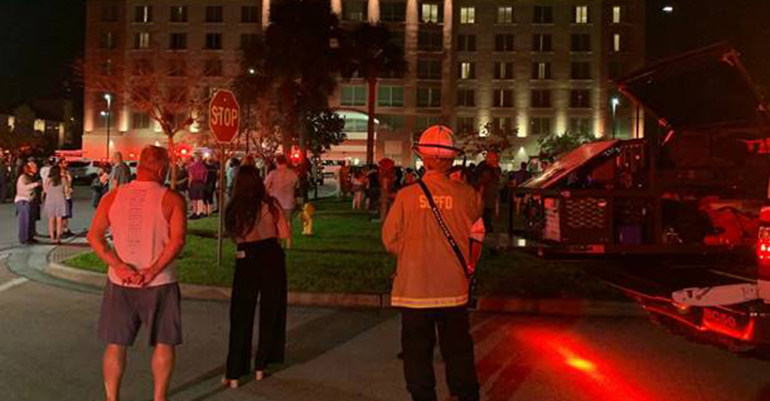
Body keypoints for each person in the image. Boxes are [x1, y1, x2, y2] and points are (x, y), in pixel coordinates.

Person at [382, 125, 481, 401]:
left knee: (416, 353)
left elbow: (389, 240)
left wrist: (412, 251)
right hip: (453, 290)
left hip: (415, 290)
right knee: (458, 351)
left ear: (423, 159)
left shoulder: (405, 197)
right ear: (450, 160)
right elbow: (477, 230)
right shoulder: (467, 195)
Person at [87, 145, 186, 401]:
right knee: (164, 342)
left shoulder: (113, 197)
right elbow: (177, 241)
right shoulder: (172, 199)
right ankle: (159, 397)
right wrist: (152, 270)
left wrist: (118, 266)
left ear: (138, 166)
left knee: (115, 344)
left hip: (119, 282)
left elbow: (95, 236)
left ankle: (111, 398)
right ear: (163, 169)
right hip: (160, 282)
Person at [222, 165, 289, 388]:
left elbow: (234, 236)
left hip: (246, 257)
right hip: (271, 255)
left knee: (241, 314)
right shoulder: (270, 204)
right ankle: (262, 364)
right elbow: (285, 233)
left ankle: (234, 372)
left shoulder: (235, 208)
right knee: (271, 310)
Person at [264, 155, 299, 248]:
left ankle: (278, 242)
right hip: (288, 201)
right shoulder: (292, 173)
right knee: (288, 222)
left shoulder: (273, 173)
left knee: (275, 223)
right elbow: (296, 185)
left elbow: (265, 187)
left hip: (276, 202)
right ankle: (289, 243)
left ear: (277, 162)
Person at [473, 151, 501, 233]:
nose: (495, 159)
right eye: (492, 157)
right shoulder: (487, 171)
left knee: (487, 220)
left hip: (490, 198)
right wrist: (479, 200)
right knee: (486, 221)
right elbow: (481, 185)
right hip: (486, 199)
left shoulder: (496, 170)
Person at [15, 162, 41, 245]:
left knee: (30, 220)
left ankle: (30, 237)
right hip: (23, 201)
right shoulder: (23, 177)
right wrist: (36, 184)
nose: (36, 168)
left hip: (30, 201)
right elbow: (24, 188)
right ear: (28, 168)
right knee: (25, 221)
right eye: (34, 167)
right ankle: (24, 238)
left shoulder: (30, 177)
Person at [42, 165, 67, 244]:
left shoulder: (48, 180)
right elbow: (66, 189)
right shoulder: (62, 179)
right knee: (59, 220)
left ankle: (52, 238)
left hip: (50, 200)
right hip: (60, 199)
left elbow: (45, 190)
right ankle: (58, 238)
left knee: (51, 220)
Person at [187, 154, 208, 219]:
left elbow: (191, 176)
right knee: (201, 198)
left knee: (194, 199)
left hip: (194, 182)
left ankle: (195, 212)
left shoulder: (192, 167)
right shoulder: (204, 167)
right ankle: (201, 211)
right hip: (201, 183)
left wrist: (189, 184)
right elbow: (205, 177)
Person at [60, 159, 75, 237]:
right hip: (63, 195)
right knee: (63, 214)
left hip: (68, 194)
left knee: (67, 213)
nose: (66, 164)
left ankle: (66, 229)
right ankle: (62, 230)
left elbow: (70, 182)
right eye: (64, 163)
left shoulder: (67, 171)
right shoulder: (60, 173)